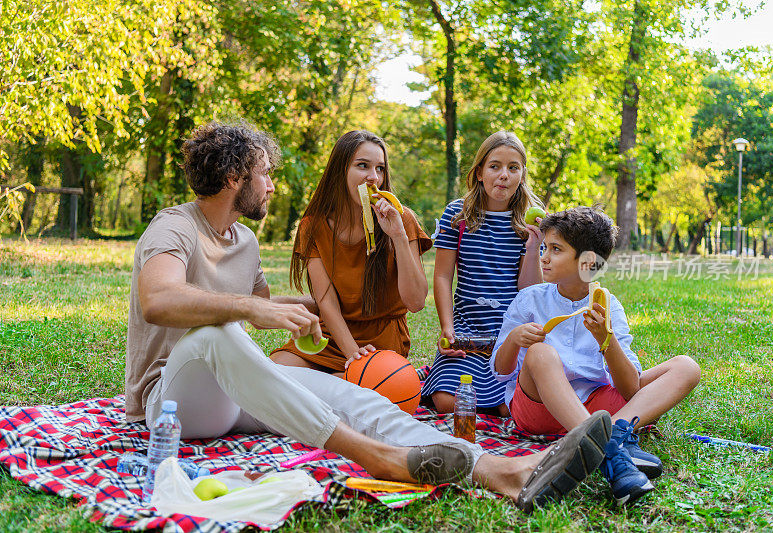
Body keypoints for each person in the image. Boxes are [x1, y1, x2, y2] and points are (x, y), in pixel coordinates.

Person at [125, 121, 612, 512]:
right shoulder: (175, 225)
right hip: (172, 401)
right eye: (264, 174)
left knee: (356, 399)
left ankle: (499, 470)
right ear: (235, 178)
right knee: (220, 336)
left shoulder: (244, 241)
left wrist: (301, 310)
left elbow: (270, 308)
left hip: (232, 396)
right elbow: (160, 300)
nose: (271, 186)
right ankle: (378, 458)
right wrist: (254, 308)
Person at [489, 206, 702, 505]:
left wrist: (607, 339)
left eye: (556, 249)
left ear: (588, 264)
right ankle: (611, 450)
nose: (544, 257)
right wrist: (513, 340)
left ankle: (612, 435)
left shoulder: (608, 306)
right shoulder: (530, 299)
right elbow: (500, 370)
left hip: (597, 407)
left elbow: (630, 387)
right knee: (539, 352)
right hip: (538, 411)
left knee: (686, 367)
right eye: (543, 247)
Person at [269, 130, 429, 373]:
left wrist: (397, 236)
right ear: (340, 170)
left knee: (352, 389)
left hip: (382, 339)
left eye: (380, 169)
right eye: (363, 166)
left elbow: (416, 302)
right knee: (276, 371)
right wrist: (352, 354)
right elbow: (326, 301)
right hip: (333, 334)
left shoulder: (402, 219)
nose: (373, 177)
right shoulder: (313, 226)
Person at [421, 131, 544, 416]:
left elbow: (529, 291)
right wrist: (447, 328)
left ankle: (499, 400)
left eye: (513, 168)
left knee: (509, 406)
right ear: (479, 173)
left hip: (510, 333)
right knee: (446, 402)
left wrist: (534, 244)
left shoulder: (529, 220)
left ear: (522, 175)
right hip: (467, 332)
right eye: (495, 166)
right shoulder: (458, 215)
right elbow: (442, 277)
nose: (504, 175)